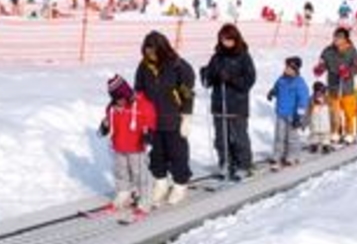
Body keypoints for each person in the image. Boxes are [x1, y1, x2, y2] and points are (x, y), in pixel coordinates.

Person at [134, 31, 195, 206]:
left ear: (162, 49)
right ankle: (160, 183)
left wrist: (187, 116)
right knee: (157, 155)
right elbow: (139, 90)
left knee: (177, 153)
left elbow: (187, 93)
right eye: (147, 51)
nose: (150, 55)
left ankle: (180, 184)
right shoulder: (144, 66)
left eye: (153, 51)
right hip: (153, 120)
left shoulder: (177, 66)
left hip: (173, 118)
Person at [200, 24, 256, 181]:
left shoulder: (243, 57)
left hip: (237, 105)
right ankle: (226, 162)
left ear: (236, 39)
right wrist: (206, 75)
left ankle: (244, 165)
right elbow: (208, 82)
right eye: (223, 39)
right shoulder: (217, 57)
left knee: (238, 137)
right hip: (219, 103)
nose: (226, 43)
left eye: (229, 39)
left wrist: (231, 78)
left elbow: (249, 80)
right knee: (221, 139)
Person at [97, 75, 157, 218]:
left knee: (139, 174)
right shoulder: (113, 107)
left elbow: (150, 117)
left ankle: (145, 199)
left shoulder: (142, 104)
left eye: (121, 97)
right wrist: (104, 127)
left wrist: (149, 132)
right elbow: (108, 121)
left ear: (127, 93)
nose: (119, 101)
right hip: (119, 146)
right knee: (120, 172)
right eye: (116, 98)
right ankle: (123, 194)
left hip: (136, 146)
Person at [314, 27, 357, 145]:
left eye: (339, 37)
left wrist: (348, 72)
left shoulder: (352, 51)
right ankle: (336, 131)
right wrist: (320, 68)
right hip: (333, 86)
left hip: (347, 87)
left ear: (345, 39)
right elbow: (322, 63)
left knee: (348, 112)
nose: (336, 39)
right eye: (335, 37)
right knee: (334, 112)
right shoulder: (328, 51)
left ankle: (349, 133)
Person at [266, 57, 309, 169]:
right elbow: (277, 88)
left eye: (289, 68)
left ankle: (292, 156)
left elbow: (303, 100)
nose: (286, 70)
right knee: (279, 136)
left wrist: (299, 116)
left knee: (292, 137)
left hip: (293, 115)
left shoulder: (299, 83)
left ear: (295, 69)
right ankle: (277, 155)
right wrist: (272, 92)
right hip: (281, 113)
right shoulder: (281, 79)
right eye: (286, 67)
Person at [306, 81, 331, 153]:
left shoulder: (327, 99)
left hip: (325, 121)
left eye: (321, 92)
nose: (319, 94)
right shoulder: (311, 100)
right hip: (314, 121)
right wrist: (306, 121)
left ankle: (326, 145)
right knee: (314, 133)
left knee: (325, 134)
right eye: (317, 92)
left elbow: (331, 109)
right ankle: (314, 144)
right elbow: (308, 111)